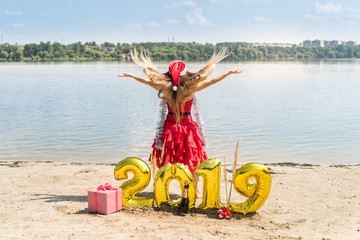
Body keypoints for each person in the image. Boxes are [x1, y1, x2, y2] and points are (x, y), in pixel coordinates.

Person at [118, 48, 242, 196]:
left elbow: (146, 80)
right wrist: (228, 73)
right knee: (191, 161)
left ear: (169, 75)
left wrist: (132, 76)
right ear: (186, 74)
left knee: (168, 160)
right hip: (188, 127)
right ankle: (194, 191)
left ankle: (164, 188)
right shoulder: (191, 89)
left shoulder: (165, 88)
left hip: (170, 127)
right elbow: (211, 80)